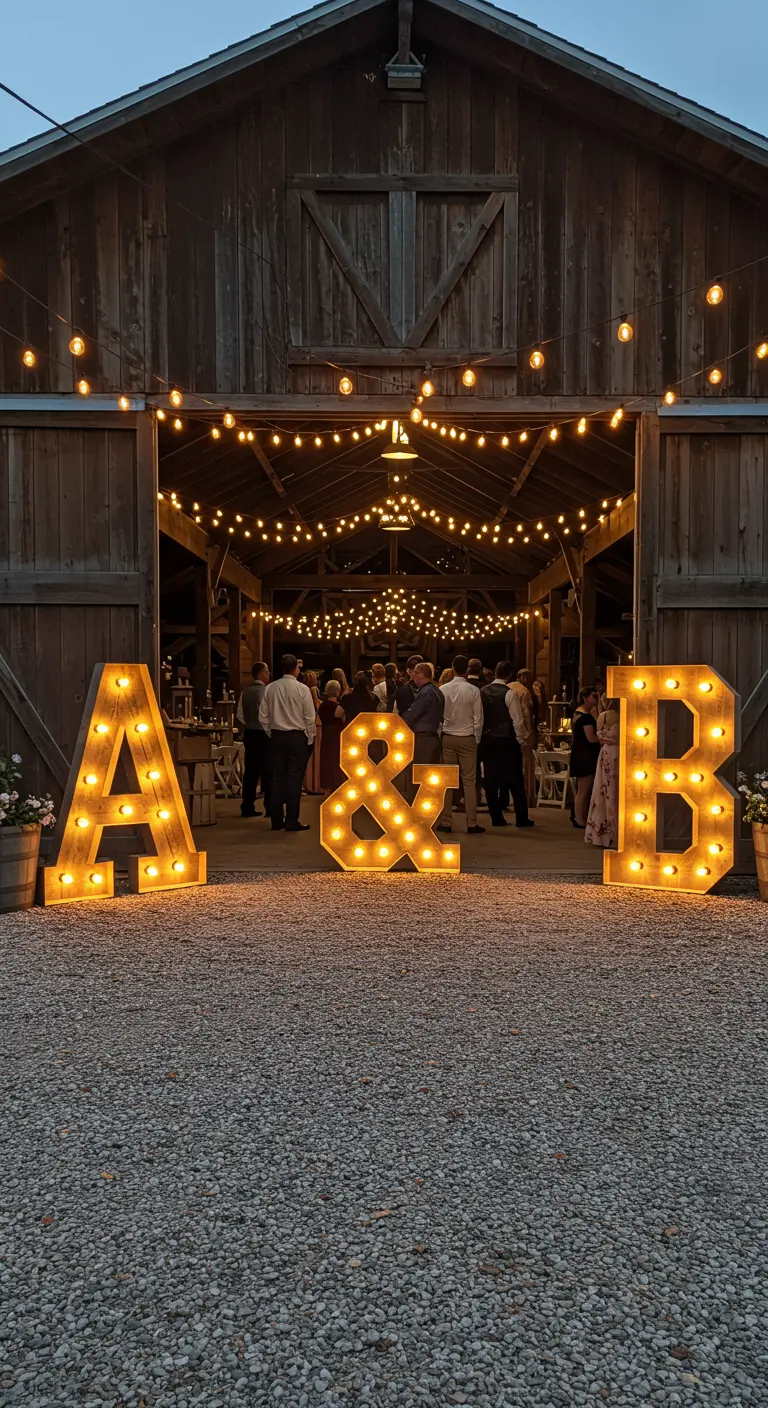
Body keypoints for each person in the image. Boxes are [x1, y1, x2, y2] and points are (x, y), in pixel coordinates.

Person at [258, 653, 316, 832]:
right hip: (297, 737)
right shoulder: (302, 689)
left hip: (277, 736)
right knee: (294, 779)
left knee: (277, 777)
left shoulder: (270, 688)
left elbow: (263, 716)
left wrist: (270, 731)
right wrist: (310, 737)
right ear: (295, 669)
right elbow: (309, 716)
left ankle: (276, 819)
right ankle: (292, 819)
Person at [480, 662, 533, 828]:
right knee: (515, 779)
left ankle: (496, 818)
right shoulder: (509, 693)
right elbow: (517, 719)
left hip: (488, 739)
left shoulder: (482, 692)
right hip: (507, 740)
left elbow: (479, 717)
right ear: (509, 675)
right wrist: (522, 738)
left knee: (490, 779)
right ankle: (522, 818)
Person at [436, 655, 484, 835]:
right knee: (469, 782)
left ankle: (446, 821)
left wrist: (442, 732)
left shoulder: (443, 689)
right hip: (467, 737)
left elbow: (438, 715)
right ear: (468, 670)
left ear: (453, 668)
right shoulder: (473, 691)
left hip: (448, 737)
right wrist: (476, 738)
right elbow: (478, 718)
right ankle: (471, 822)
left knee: (448, 780)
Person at [402, 661, 445, 800]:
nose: (413, 678)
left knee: (418, 776)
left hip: (423, 739)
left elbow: (412, 714)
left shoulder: (425, 693)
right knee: (430, 777)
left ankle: (416, 809)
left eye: (414, 675)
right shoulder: (437, 691)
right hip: (433, 737)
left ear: (421, 674)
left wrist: (399, 721)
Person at [585, 696, 620, 848]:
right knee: (615, 791)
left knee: (602, 790)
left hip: (605, 753)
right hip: (619, 754)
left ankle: (602, 832)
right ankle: (615, 831)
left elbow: (598, 735)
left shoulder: (602, 716)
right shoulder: (623, 717)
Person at [237, 661, 271, 817]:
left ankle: (247, 806)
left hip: (250, 733)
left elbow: (240, 716)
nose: (269, 674)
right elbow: (269, 715)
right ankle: (269, 806)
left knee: (250, 772)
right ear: (261, 673)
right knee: (268, 770)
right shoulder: (266, 691)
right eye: (267, 671)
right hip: (263, 734)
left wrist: (251, 722)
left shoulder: (245, 692)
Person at [570, 686, 601, 828]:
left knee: (581, 790)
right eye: (593, 696)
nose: (596, 699)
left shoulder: (577, 714)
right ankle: (580, 819)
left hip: (579, 753)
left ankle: (577, 817)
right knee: (584, 790)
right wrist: (601, 738)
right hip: (586, 755)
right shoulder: (586, 717)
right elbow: (591, 738)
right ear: (585, 697)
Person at [509, 669, 536, 805]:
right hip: (522, 732)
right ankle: (525, 797)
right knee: (524, 766)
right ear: (523, 677)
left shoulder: (507, 688)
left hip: (508, 733)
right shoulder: (524, 691)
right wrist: (528, 733)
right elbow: (526, 714)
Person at [319, 680, 346, 793]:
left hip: (325, 734)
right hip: (336, 735)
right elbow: (343, 720)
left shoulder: (322, 705)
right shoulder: (338, 707)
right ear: (338, 691)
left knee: (326, 759)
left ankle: (327, 786)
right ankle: (336, 784)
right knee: (336, 759)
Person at [303, 670, 323, 795]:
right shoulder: (313, 689)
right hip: (316, 722)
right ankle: (316, 785)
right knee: (316, 754)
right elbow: (317, 704)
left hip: (309, 723)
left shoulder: (304, 689)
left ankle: (310, 784)